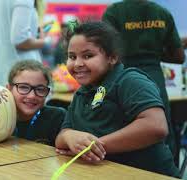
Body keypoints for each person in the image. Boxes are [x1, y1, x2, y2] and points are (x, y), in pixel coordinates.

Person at [55, 21, 179, 177]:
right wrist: (69, 136)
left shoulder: (130, 80)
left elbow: (156, 126)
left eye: (88, 55)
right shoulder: (82, 92)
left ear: (112, 58)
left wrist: (93, 147)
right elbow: (62, 136)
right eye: (72, 57)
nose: (78, 63)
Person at [102, 0, 186, 156]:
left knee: (123, 131)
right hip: (154, 78)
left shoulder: (114, 12)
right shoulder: (162, 13)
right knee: (160, 129)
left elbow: (105, 52)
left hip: (122, 78)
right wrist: (152, 54)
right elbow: (179, 57)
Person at [6, 60, 66, 146]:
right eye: (24, 87)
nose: (32, 96)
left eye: (40, 89)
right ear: (9, 89)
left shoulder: (57, 118)